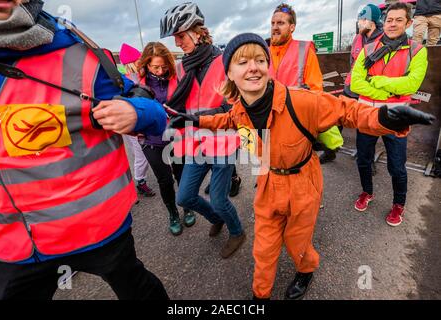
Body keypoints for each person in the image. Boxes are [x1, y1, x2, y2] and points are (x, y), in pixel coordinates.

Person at [169, 33, 434, 300]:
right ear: (229, 73)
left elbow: (347, 110)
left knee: (297, 242)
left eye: (260, 59)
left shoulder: (301, 101)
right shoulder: (240, 110)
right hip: (268, 183)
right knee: (263, 249)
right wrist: (192, 120)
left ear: (268, 66)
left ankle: (306, 270)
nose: (253, 67)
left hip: (302, 185)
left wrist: (385, 117)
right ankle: (260, 296)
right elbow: (226, 120)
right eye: (243, 62)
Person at [0, 0, 168, 300]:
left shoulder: (79, 53)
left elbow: (155, 112)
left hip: (100, 232)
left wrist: (135, 111)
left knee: (137, 288)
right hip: (20, 245)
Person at [160, 2, 245, 259]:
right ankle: (216, 218)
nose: (177, 43)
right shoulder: (181, 68)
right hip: (196, 145)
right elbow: (173, 101)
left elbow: (231, 108)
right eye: (175, 37)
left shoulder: (224, 62)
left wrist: (195, 118)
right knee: (185, 197)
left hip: (222, 143)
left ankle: (237, 231)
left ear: (198, 32)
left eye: (181, 36)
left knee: (219, 198)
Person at [351, 2, 428, 227]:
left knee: (396, 165)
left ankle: (398, 204)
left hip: (395, 119)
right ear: (384, 21)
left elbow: (411, 85)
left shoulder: (417, 51)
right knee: (363, 160)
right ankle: (367, 192)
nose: (392, 24)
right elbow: (356, 83)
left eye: (398, 20)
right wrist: (390, 91)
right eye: (389, 20)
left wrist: (378, 81)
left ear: (409, 23)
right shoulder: (368, 49)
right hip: (367, 115)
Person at [136, 41, 196, 236]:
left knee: (181, 175)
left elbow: (187, 105)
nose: (160, 71)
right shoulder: (137, 84)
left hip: (177, 137)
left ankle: (186, 205)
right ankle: (173, 214)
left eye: (164, 66)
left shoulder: (178, 78)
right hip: (151, 140)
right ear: (146, 64)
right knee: (165, 181)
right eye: (155, 67)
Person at [268, 3, 340, 164]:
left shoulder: (304, 49)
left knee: (298, 169)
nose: (275, 27)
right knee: (267, 167)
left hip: (296, 122)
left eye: (280, 23)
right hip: (268, 121)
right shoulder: (263, 51)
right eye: (272, 23)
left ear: (292, 27)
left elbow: (316, 89)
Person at [119, 43, 156, 198]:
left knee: (139, 152)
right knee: (140, 153)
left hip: (133, 122)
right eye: (139, 58)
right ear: (133, 62)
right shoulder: (129, 79)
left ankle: (140, 178)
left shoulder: (133, 77)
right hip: (131, 123)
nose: (141, 61)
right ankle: (140, 181)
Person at [344, 4, 384, 99]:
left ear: (372, 21)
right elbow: (352, 62)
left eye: (363, 20)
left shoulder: (384, 39)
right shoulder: (357, 38)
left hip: (370, 93)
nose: (359, 23)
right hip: (350, 89)